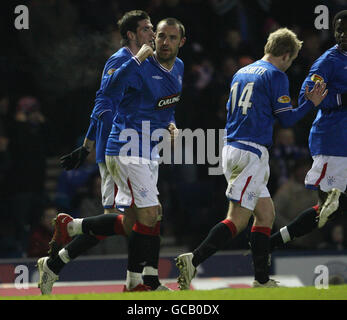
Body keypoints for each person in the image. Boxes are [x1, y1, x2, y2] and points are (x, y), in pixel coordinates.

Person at [37, 15, 185, 293]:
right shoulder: (123, 60)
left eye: (156, 29)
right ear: (131, 35)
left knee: (138, 220)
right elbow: (104, 100)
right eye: (148, 29)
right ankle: (136, 280)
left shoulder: (166, 65)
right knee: (143, 217)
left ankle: (67, 252)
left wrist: (170, 124)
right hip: (119, 148)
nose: (154, 34)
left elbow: (163, 105)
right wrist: (89, 146)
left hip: (145, 148)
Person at [175, 27, 327, 289]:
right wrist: (310, 103)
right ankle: (194, 259)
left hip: (234, 146)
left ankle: (261, 280)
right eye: (292, 60)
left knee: (266, 214)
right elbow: (287, 118)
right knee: (238, 219)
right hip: (250, 152)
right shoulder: (275, 75)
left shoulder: (242, 71)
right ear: (287, 55)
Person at [269, 10, 347, 252]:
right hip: (333, 142)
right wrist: (342, 98)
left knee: (332, 210)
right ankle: (269, 245)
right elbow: (307, 95)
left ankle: (268, 245)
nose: (343, 34)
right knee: (327, 211)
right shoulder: (328, 62)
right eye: (339, 30)